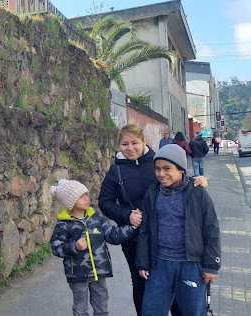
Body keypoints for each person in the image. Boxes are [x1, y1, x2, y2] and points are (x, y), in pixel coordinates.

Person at [98, 123, 207, 316]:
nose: (130, 148)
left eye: (134, 143)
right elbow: (105, 202)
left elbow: (177, 179)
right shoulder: (116, 171)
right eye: (124, 144)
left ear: (144, 142)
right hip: (135, 238)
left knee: (171, 280)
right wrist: (127, 215)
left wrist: (197, 181)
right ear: (119, 146)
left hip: (165, 235)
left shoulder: (157, 161)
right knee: (140, 282)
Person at [136, 144, 221, 316]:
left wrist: (211, 266)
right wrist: (143, 262)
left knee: (194, 312)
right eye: (157, 169)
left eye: (167, 168)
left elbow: (211, 229)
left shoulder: (197, 193)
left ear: (181, 169)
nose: (161, 174)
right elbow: (145, 230)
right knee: (151, 311)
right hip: (159, 265)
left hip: (191, 265)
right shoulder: (152, 194)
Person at [50, 179, 139, 316]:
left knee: (102, 307)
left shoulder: (96, 218)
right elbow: (56, 247)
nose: (87, 199)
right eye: (81, 196)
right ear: (71, 202)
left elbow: (112, 235)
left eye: (87, 194)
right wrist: (74, 246)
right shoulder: (64, 224)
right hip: (77, 274)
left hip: (99, 272)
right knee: (80, 309)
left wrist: (131, 228)